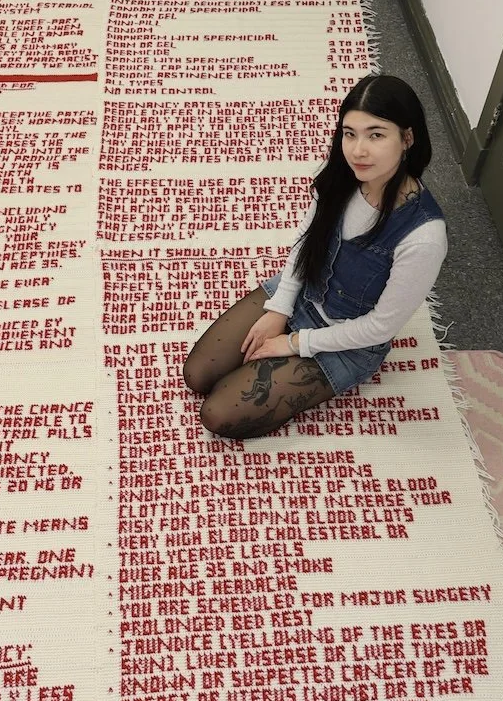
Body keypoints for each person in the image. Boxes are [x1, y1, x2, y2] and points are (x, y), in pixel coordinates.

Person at [183, 74, 447, 440]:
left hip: (347, 340)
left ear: (407, 138)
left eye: (376, 134)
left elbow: (380, 328)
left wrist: (294, 343)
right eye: (349, 133)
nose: (358, 150)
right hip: (305, 293)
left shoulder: (424, 237)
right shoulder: (343, 177)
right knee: (198, 375)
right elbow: (306, 242)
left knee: (218, 414)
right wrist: (280, 308)